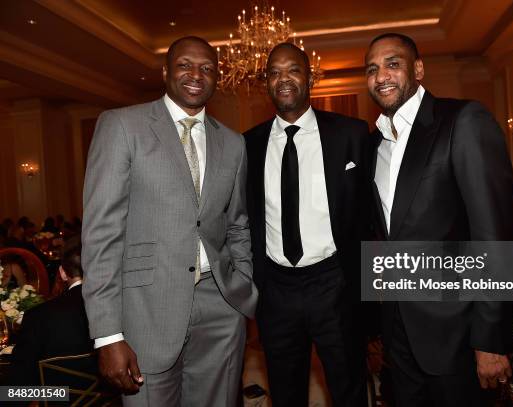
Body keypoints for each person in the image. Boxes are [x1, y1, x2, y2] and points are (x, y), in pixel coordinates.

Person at [82, 36, 257, 406]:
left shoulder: (233, 143)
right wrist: (108, 334)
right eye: (185, 65)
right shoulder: (122, 126)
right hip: (146, 309)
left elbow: (237, 222)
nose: (197, 74)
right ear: (165, 72)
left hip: (220, 305)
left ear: (218, 77)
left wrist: (241, 284)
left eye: (208, 68)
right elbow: (101, 235)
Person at [365, 33, 513, 406]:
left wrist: (490, 340)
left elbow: (495, 236)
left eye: (392, 64)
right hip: (398, 333)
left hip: (458, 334)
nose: (381, 75)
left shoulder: (463, 120)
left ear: (418, 69)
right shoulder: (375, 143)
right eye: (372, 69)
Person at [243, 43, 370, 407]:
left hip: (335, 284)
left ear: (309, 76)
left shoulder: (351, 134)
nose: (283, 79)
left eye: (293, 69)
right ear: (266, 82)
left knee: (348, 389)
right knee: (284, 392)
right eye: (274, 72)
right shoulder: (248, 144)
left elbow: (369, 215)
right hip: (276, 290)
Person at [10, 237, 93, 385]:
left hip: (57, 399)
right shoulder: (116, 308)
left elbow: (19, 385)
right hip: (108, 399)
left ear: (62, 273)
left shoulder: (38, 316)